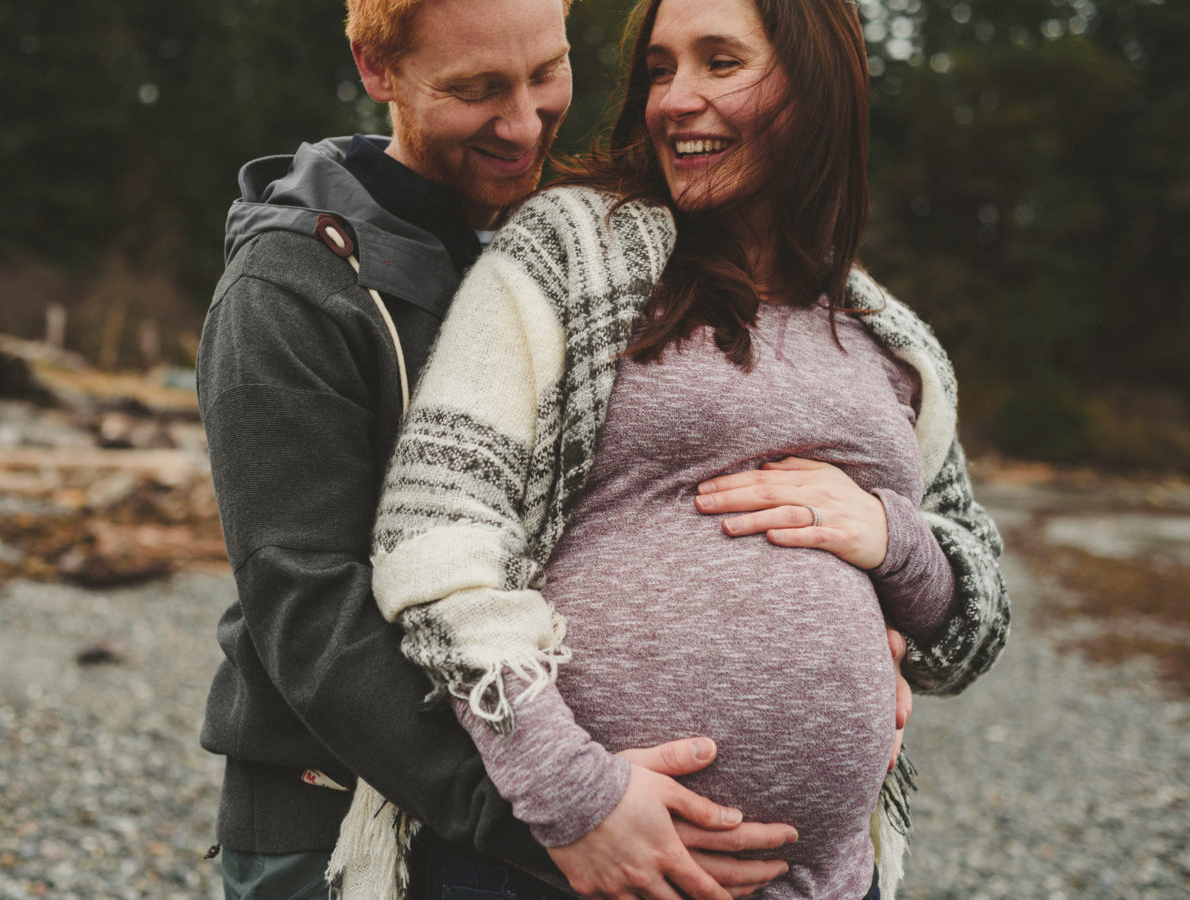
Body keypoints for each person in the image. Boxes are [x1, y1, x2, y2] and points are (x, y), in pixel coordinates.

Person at [343, 0, 1010, 898]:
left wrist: (894, 539)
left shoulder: (887, 341)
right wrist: (571, 793)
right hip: (547, 868)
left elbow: (973, 625)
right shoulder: (575, 248)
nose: (673, 100)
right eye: (659, 69)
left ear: (816, 87)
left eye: (719, 62)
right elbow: (435, 532)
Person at [196, 0, 849, 897]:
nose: (522, 123)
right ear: (376, 69)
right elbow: (306, 606)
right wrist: (550, 811)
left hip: (547, 811)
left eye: (546, 74)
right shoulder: (290, 289)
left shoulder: (591, 239)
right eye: (476, 90)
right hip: (341, 819)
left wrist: (869, 608)